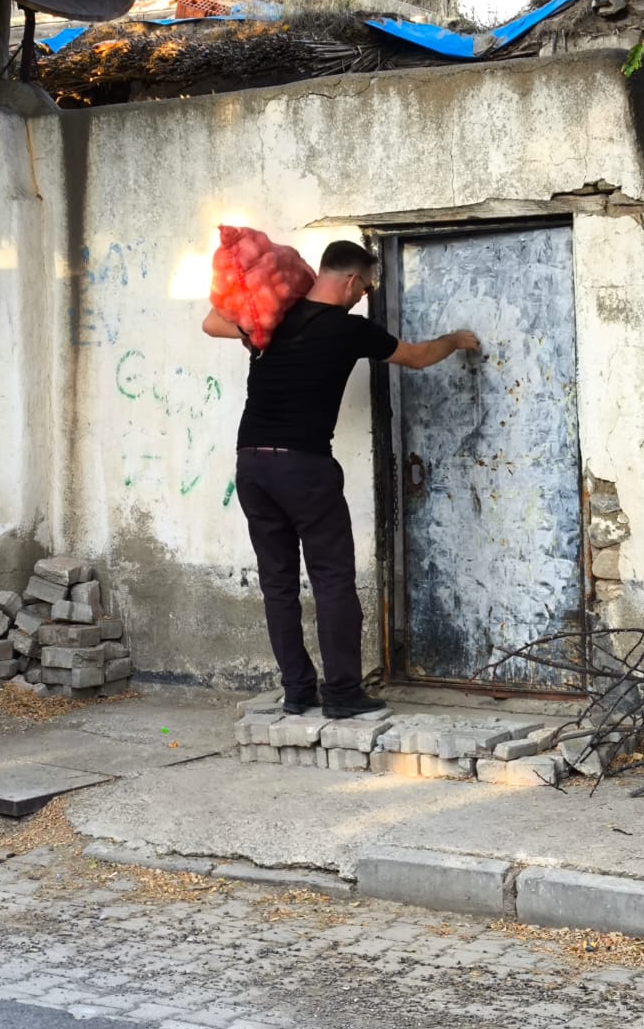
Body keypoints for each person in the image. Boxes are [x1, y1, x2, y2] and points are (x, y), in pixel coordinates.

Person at [203, 239, 480, 718]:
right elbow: (415, 357)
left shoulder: (270, 319)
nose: (365, 295)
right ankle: (342, 693)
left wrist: (254, 309)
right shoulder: (349, 330)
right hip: (303, 467)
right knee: (332, 579)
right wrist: (456, 340)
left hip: (251, 463)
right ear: (351, 281)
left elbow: (212, 323)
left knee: (278, 583)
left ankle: (297, 691)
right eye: (366, 286)